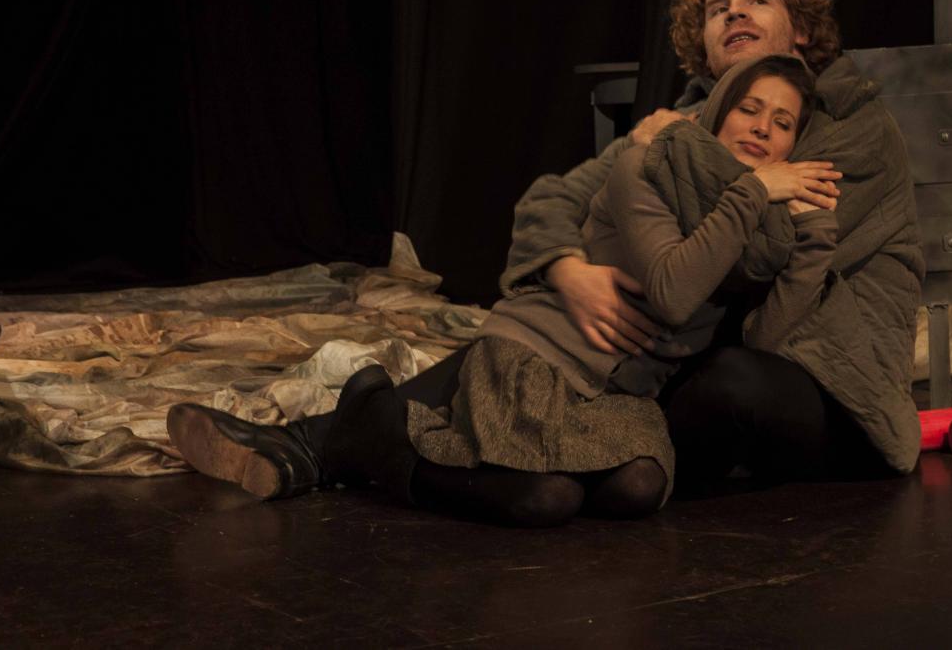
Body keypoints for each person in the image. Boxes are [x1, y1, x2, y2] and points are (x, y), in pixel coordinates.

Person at [168, 54, 839, 526]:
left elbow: (767, 341)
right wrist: (567, 266)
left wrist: (814, 236)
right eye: (749, 109)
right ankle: (364, 434)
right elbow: (659, 282)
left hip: (618, 389)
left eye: (783, 122)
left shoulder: (768, 223)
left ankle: (363, 431)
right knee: (545, 499)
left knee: (636, 488)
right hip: (542, 352)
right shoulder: (653, 159)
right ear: (718, 112)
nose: (763, 127)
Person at [502, 0, 924, 486]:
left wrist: (673, 148)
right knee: (528, 365)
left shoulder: (851, 123)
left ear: (800, 29)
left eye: (758, 0)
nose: (734, 13)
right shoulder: (686, 123)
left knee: (728, 385)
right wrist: (569, 271)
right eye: (717, 8)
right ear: (702, 43)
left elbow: (759, 254)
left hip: (830, 382)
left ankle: (574, 467)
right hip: (696, 358)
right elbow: (551, 198)